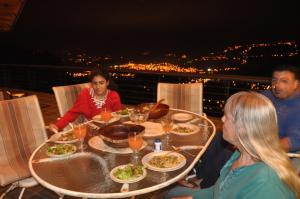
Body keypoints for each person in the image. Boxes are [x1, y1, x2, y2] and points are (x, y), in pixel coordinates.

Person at [184, 64, 300, 189]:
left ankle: (206, 186)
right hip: (251, 137)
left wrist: (251, 145)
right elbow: (246, 106)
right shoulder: (268, 95)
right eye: (274, 80)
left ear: (296, 84)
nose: (277, 85)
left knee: (229, 151)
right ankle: (198, 174)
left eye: (284, 81)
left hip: (271, 151)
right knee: (217, 136)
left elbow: (292, 142)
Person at [166, 91, 300, 199]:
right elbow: (219, 190)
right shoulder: (239, 153)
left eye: (227, 116)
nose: (222, 119)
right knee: (170, 193)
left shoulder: (266, 183)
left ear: (243, 128)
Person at [49, 69, 122, 131]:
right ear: (91, 84)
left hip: (109, 129)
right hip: (90, 130)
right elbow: (72, 113)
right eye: (95, 83)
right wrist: (57, 125)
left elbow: (118, 116)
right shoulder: (85, 94)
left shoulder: (114, 95)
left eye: (101, 83)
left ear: (107, 83)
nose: (98, 86)